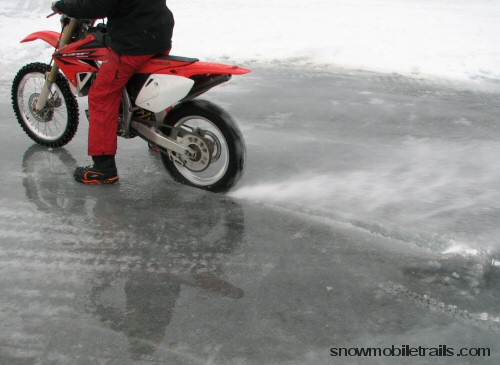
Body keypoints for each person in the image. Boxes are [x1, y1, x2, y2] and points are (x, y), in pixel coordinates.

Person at [51, 0, 175, 185]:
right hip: (159, 33)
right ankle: (163, 135)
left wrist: (64, 6)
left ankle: (103, 168)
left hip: (133, 43)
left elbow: (97, 6)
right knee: (147, 83)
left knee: (101, 96)